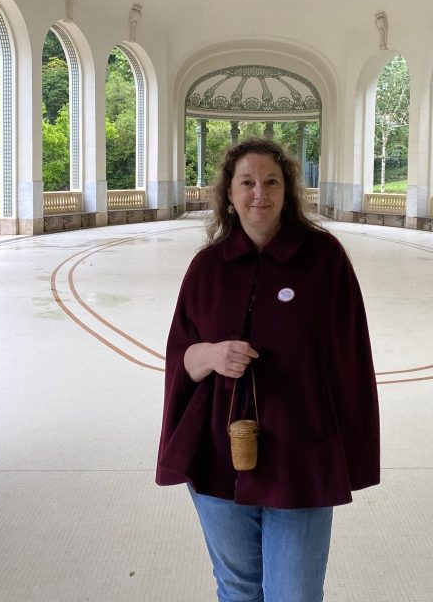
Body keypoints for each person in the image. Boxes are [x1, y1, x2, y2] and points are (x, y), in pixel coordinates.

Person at [157, 138, 380, 602]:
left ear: (288, 190)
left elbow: (351, 360)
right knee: (236, 589)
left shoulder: (324, 259)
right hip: (218, 454)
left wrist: (349, 453)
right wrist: (214, 355)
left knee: (294, 593)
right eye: (247, 182)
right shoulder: (207, 267)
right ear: (229, 194)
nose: (260, 192)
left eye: (271, 181)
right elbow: (182, 358)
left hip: (301, 457)